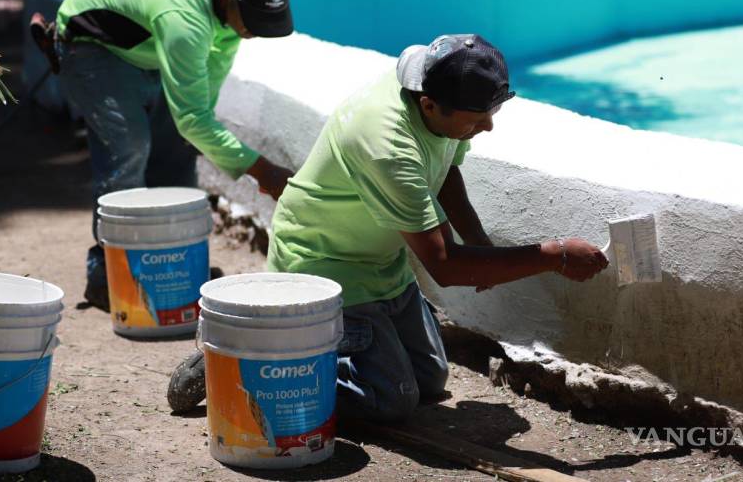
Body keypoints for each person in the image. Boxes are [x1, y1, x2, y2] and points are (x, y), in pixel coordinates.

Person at [167, 33, 608, 419]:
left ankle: (303, 353)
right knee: (391, 401)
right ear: (429, 105)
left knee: (430, 383)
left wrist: (478, 242)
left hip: (381, 264)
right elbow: (446, 268)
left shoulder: (433, 85)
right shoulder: (386, 144)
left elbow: (446, 172)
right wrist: (555, 255)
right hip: (326, 267)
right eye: (477, 119)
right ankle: (253, 360)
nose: (488, 127)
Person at [30, 0, 296, 311]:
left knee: (179, 147)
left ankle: (174, 265)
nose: (253, 31)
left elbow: (198, 107)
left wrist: (201, 132)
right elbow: (193, 117)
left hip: (147, 43)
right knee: (128, 149)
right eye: (251, 19)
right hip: (93, 45)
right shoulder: (184, 16)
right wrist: (262, 170)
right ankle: (110, 274)